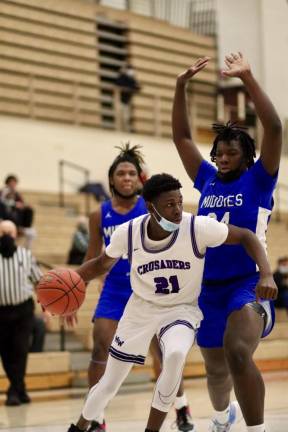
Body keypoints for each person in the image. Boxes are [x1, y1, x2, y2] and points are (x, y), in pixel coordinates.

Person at [65, 173, 277, 432]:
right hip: (140, 309)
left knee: (175, 354)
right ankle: (80, 425)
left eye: (179, 202)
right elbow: (99, 264)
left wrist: (266, 272)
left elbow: (246, 236)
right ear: (151, 208)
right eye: (169, 205)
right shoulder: (128, 233)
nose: (177, 210)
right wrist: (70, 281)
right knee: (110, 381)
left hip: (182, 310)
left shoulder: (196, 227)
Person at [172, 53, 282, 432]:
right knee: (216, 371)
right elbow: (183, 138)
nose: (221, 157)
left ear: (246, 156)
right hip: (206, 287)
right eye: (218, 152)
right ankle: (223, 417)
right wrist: (180, 86)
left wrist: (248, 78)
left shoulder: (259, 179)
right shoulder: (207, 179)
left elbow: (274, 126)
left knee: (238, 352)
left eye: (231, 152)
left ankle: (257, 429)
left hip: (249, 283)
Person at [0, 220, 42, 406]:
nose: (7, 236)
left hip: (22, 311)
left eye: (10, 232)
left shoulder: (26, 255)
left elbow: (39, 282)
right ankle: (20, 388)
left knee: (20, 350)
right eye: (3, 232)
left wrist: (47, 310)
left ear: (16, 234)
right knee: (5, 353)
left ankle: (13, 392)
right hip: (1, 312)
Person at [0, 174, 36, 249]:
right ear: (7, 183)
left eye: (14, 183)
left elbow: (22, 205)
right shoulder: (3, 192)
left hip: (16, 223)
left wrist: (24, 206)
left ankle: (26, 252)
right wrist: (14, 204)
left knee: (32, 232)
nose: (13, 185)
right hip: (4, 223)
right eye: (11, 182)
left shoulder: (17, 194)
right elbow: (4, 202)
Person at [115, 64, 141, 132]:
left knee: (126, 117)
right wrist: (122, 74)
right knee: (119, 116)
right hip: (119, 100)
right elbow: (118, 83)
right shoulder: (122, 77)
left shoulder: (131, 79)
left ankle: (126, 131)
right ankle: (118, 130)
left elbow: (137, 87)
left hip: (126, 101)